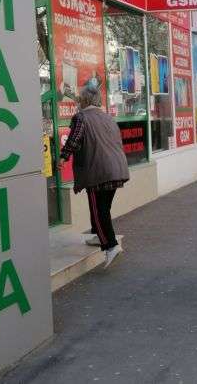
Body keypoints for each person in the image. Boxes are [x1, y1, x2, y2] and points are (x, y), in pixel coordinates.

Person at [58, 85, 130, 268]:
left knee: (99, 211)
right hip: (117, 168)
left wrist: (62, 157)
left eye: (80, 98)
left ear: (84, 100)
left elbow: (74, 140)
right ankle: (99, 236)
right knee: (103, 208)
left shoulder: (81, 117)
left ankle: (111, 246)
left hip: (98, 170)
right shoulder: (107, 117)